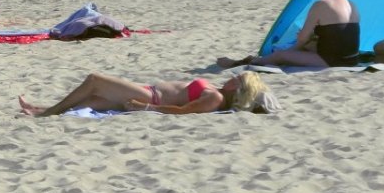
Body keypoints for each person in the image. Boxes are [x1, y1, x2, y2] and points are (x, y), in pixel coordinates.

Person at [218, 0, 360, 69]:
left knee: (281, 56)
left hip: (333, 61)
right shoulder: (352, 4)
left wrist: (297, 46)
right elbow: (341, 34)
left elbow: (302, 39)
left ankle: (245, 63)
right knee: (309, 46)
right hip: (352, 58)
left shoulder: (321, 4)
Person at [19, 71, 275, 116]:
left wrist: (147, 108)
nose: (232, 77)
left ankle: (48, 112)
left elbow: (183, 112)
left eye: (237, 79)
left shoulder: (215, 98)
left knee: (95, 80)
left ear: (238, 89)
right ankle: (43, 109)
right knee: (91, 100)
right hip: (147, 92)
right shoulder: (217, 92)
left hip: (150, 98)